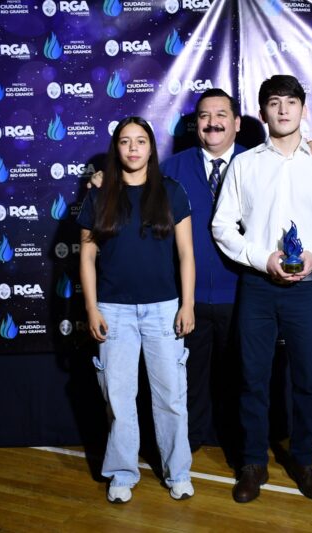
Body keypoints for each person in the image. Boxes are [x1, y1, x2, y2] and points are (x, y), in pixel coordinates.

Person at [212, 75, 312, 503]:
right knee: (252, 379)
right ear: (262, 113)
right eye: (274, 102)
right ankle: (252, 462)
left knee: (308, 380)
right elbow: (222, 225)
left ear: (303, 109)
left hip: (307, 289)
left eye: (291, 102)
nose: (283, 110)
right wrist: (262, 258)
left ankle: (304, 460)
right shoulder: (245, 164)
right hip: (257, 287)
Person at [77, 116, 196, 504]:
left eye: (140, 141)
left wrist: (187, 304)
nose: (133, 148)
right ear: (116, 148)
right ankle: (122, 473)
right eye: (125, 141)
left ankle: (178, 472)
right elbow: (87, 256)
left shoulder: (171, 191)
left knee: (171, 397)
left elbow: (186, 254)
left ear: (151, 148)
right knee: (119, 398)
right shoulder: (99, 195)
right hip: (114, 311)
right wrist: (91, 308)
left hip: (164, 310)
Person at [160, 89, 245, 452]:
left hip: (242, 294)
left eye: (221, 114)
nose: (213, 122)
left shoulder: (256, 163)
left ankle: (237, 444)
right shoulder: (171, 169)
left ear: (236, 123)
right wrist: (103, 180)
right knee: (190, 377)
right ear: (196, 124)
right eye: (205, 116)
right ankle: (190, 442)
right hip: (189, 298)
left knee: (240, 376)